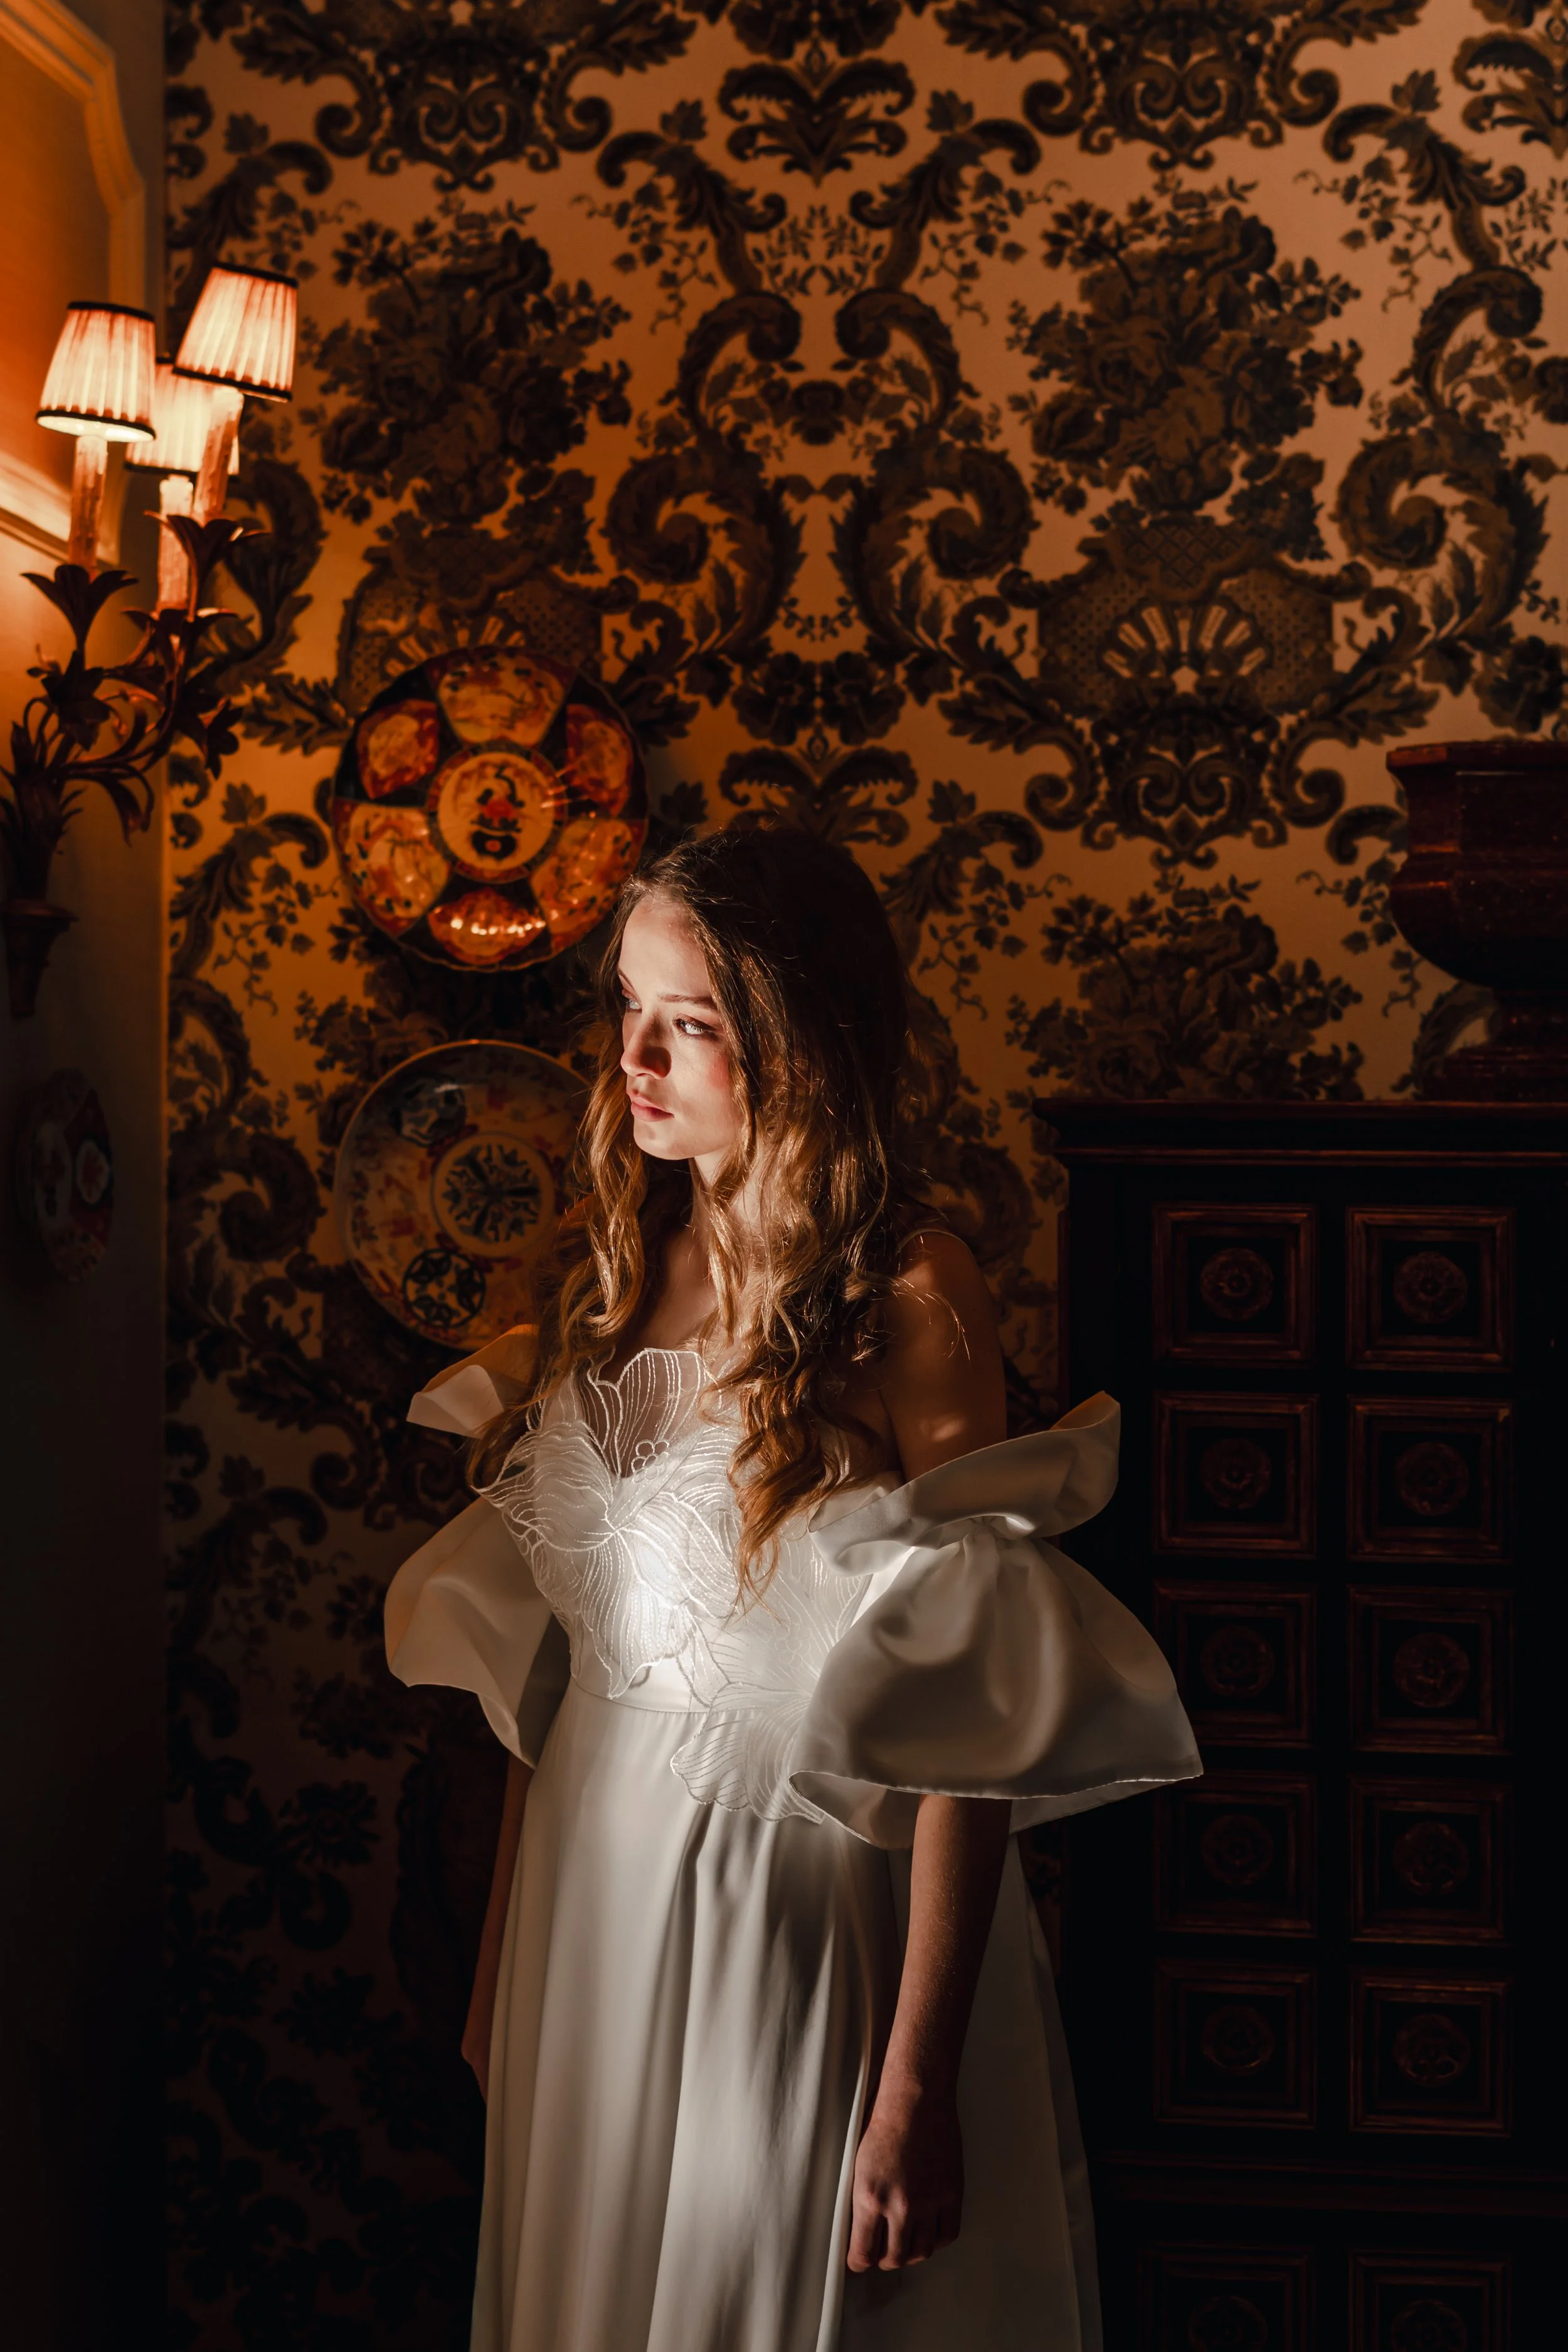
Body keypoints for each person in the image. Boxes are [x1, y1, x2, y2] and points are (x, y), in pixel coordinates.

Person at [384, 825, 1200, 2352]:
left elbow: (970, 1719)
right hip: (585, 1880)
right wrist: (502, 1960)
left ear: (797, 1039)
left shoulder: (906, 1287)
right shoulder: (617, 1263)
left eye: (687, 1023)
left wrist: (917, 2080)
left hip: (789, 1890)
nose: (633, 1056)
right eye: (627, 1006)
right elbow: (555, 1671)